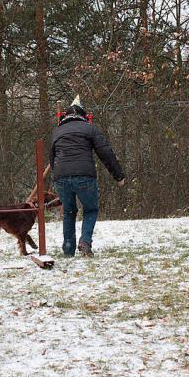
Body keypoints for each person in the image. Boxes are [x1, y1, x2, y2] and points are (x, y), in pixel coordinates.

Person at [49, 95, 125, 257]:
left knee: (69, 212)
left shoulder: (57, 132)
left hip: (61, 176)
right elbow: (105, 152)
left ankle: (68, 249)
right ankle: (85, 242)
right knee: (90, 209)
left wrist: (58, 176)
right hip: (85, 175)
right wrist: (118, 175)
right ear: (84, 116)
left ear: (65, 116)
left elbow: (52, 158)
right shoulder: (89, 129)